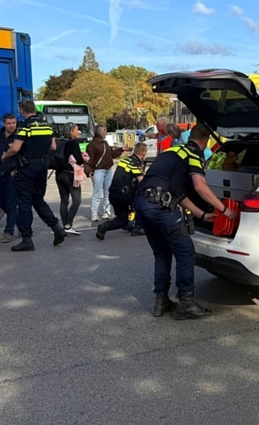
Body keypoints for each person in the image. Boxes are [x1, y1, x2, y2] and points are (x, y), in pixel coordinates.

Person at [136, 122, 236, 320]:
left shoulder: (172, 151)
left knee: (162, 254)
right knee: (185, 252)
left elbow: (178, 195)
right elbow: (200, 187)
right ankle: (186, 303)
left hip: (142, 204)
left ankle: (161, 302)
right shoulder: (193, 154)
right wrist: (224, 209)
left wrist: (202, 215)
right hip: (161, 208)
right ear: (204, 142)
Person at [0, 100, 66, 251]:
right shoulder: (46, 125)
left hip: (27, 168)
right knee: (38, 200)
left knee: (23, 203)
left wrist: (5, 155)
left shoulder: (24, 126)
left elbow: (16, 148)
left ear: (23, 111)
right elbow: (53, 146)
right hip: (42, 167)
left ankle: (27, 239)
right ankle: (57, 228)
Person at [96, 143, 147, 240]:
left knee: (122, 219)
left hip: (113, 192)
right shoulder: (135, 163)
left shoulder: (125, 161)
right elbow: (142, 182)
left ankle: (105, 226)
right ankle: (137, 228)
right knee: (142, 204)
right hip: (123, 195)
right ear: (144, 153)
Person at [0, 113, 20, 243]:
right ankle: (21, 223)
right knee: (0, 201)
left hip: (12, 174)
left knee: (12, 204)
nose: (12, 126)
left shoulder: (19, 137)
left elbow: (22, 155)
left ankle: (9, 232)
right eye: (9, 123)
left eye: (14, 123)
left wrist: (17, 170)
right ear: (4, 124)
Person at [85, 124, 122, 221]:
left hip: (108, 170)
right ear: (101, 132)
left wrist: (121, 149)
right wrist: (89, 171)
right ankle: (94, 213)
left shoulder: (105, 143)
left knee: (107, 192)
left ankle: (107, 211)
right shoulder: (92, 145)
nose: (106, 132)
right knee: (97, 193)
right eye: (105, 130)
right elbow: (89, 159)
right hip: (99, 170)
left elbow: (111, 154)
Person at [54, 123, 86, 235]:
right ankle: (68, 224)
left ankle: (64, 225)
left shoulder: (58, 142)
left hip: (59, 174)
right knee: (77, 200)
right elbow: (79, 160)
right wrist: (83, 157)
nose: (79, 132)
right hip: (70, 174)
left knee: (64, 201)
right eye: (77, 130)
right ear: (70, 131)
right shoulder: (73, 143)